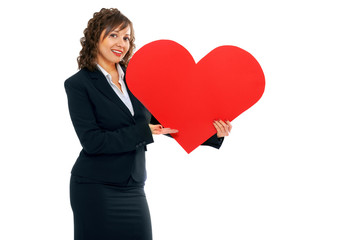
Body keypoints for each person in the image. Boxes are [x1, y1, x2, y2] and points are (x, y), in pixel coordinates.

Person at [64, 8, 232, 240]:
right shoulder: (79, 84)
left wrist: (212, 132)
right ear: (96, 36)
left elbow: (166, 121)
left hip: (133, 186)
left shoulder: (137, 78)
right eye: (114, 35)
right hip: (95, 187)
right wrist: (143, 132)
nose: (121, 43)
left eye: (126, 38)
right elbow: (93, 141)